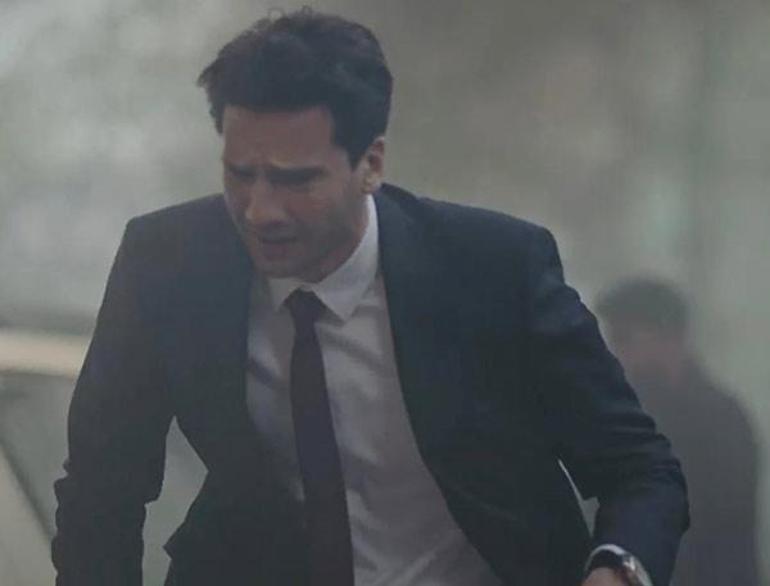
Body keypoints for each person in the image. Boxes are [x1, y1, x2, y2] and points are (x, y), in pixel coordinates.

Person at [52, 9, 688, 586]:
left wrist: (618, 571)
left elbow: (640, 470)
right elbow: (100, 490)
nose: (260, 209)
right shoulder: (167, 264)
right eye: (241, 174)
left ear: (371, 164)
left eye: (296, 180)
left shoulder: (493, 269)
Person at [597, 278, 759, 586]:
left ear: (668, 337)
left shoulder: (720, 421)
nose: (617, 354)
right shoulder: (635, 418)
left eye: (625, 339)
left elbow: (714, 532)